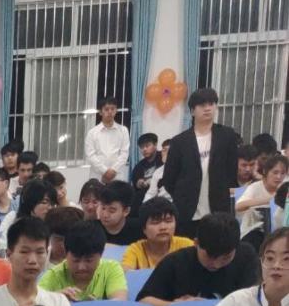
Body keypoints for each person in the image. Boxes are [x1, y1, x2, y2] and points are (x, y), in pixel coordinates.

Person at [136, 213, 260, 306]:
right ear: (196, 243)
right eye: (210, 257)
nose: (216, 265)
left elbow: (255, 299)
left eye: (225, 258)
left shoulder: (246, 256)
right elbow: (143, 302)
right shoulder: (176, 262)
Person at [162, 88, 243, 237]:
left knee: (218, 246)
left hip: (218, 208)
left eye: (211, 104)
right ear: (192, 111)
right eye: (202, 105)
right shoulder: (180, 141)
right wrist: (184, 194)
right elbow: (169, 178)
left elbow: (231, 170)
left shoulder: (227, 136)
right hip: (187, 210)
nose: (207, 108)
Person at [39, 220, 129, 302]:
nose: (81, 267)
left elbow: (120, 302)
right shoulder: (53, 275)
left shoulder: (111, 268)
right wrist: (55, 298)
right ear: (66, 254)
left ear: (101, 255)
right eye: (76, 260)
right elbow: (35, 302)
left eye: (89, 260)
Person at [120, 197, 193, 271]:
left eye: (168, 221)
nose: (163, 227)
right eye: (155, 222)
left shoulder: (186, 245)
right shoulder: (135, 250)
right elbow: (125, 273)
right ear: (144, 228)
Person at [235, 154, 288, 236]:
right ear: (265, 171)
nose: (279, 177)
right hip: (254, 233)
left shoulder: (285, 188)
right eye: (275, 172)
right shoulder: (255, 187)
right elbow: (238, 206)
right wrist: (269, 199)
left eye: (282, 173)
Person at [84, 96, 130, 183]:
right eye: (106, 109)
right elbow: (90, 156)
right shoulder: (92, 133)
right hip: (97, 175)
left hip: (117, 175)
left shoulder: (123, 130)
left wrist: (113, 170)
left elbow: (124, 153)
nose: (110, 112)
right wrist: (105, 171)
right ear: (100, 112)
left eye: (113, 109)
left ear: (116, 111)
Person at [96, 181, 143, 249]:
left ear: (126, 211)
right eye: (103, 208)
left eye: (112, 211)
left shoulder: (139, 230)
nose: (105, 215)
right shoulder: (92, 230)